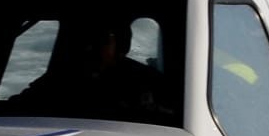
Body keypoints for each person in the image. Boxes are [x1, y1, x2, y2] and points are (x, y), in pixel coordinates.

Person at [11, 18, 167, 122]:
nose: (89, 48)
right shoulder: (61, 78)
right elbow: (16, 110)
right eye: (84, 39)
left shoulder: (147, 83)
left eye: (101, 40)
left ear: (122, 47)